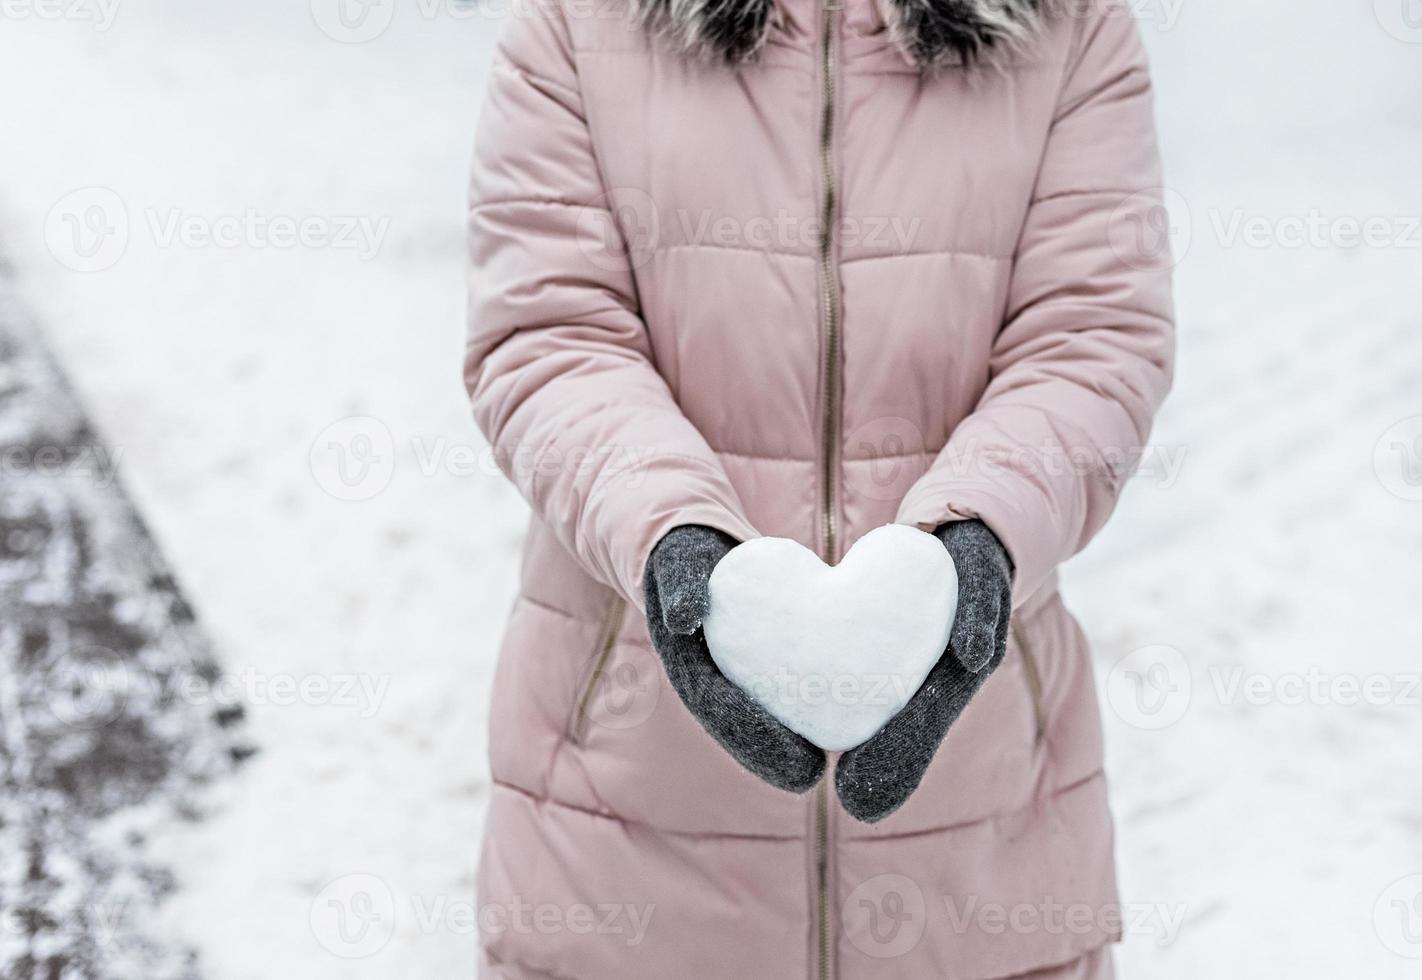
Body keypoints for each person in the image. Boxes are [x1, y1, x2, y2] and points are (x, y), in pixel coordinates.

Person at [463, 0, 1174, 973]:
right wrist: (675, 535)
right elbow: (549, 332)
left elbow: (1093, 332)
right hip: (624, 853)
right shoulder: (575, 24)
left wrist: (977, 543)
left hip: (978, 861)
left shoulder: (1070, 26)